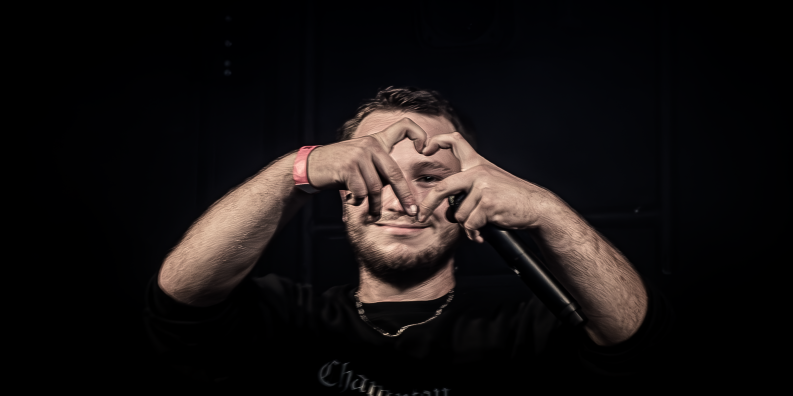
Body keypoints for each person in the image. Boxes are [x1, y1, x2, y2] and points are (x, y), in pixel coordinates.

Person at [144, 86, 672, 394]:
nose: (404, 199)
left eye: (430, 177)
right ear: (341, 191)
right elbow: (179, 301)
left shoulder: (524, 328)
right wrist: (295, 171)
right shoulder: (287, 317)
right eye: (379, 174)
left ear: (469, 195)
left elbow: (636, 344)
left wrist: (547, 211)